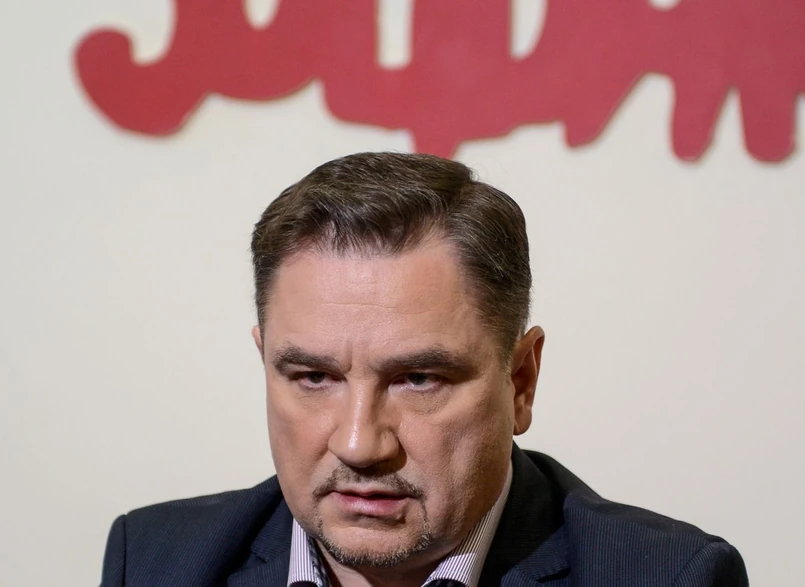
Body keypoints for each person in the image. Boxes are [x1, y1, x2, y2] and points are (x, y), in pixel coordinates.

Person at [99, 152, 748, 586]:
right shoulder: (156, 562)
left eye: (418, 379)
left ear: (520, 381)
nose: (360, 443)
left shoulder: (667, 577)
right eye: (314, 377)